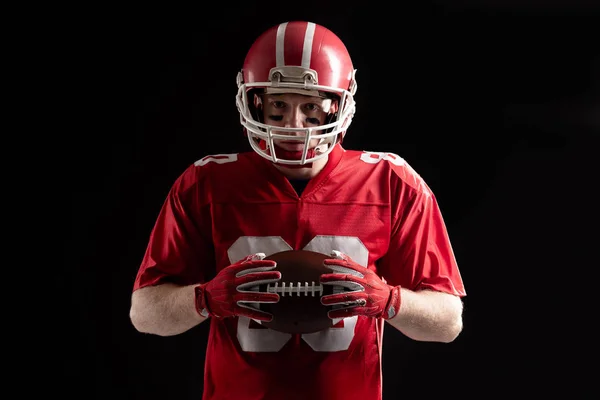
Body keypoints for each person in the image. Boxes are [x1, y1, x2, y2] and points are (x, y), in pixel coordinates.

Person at [129, 20, 466, 400]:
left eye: (310, 108)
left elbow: (447, 322)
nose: (293, 126)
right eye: (277, 107)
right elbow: (144, 314)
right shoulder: (206, 182)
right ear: (253, 101)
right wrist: (204, 299)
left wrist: (388, 301)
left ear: (340, 105)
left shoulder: (391, 180)